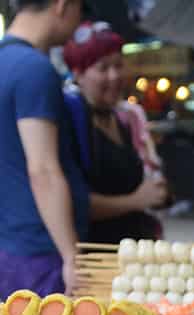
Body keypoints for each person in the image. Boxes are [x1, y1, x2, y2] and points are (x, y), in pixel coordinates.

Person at [0, 0, 87, 297]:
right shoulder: (34, 70)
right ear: (63, 5)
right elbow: (43, 169)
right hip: (42, 251)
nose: (79, 21)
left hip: (12, 245)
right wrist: (70, 255)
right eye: (81, 9)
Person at [63, 22, 167, 245]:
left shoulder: (124, 117)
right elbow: (72, 202)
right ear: (78, 73)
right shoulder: (70, 121)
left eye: (119, 65)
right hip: (97, 258)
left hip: (135, 250)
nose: (115, 76)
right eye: (103, 68)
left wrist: (158, 193)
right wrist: (136, 201)